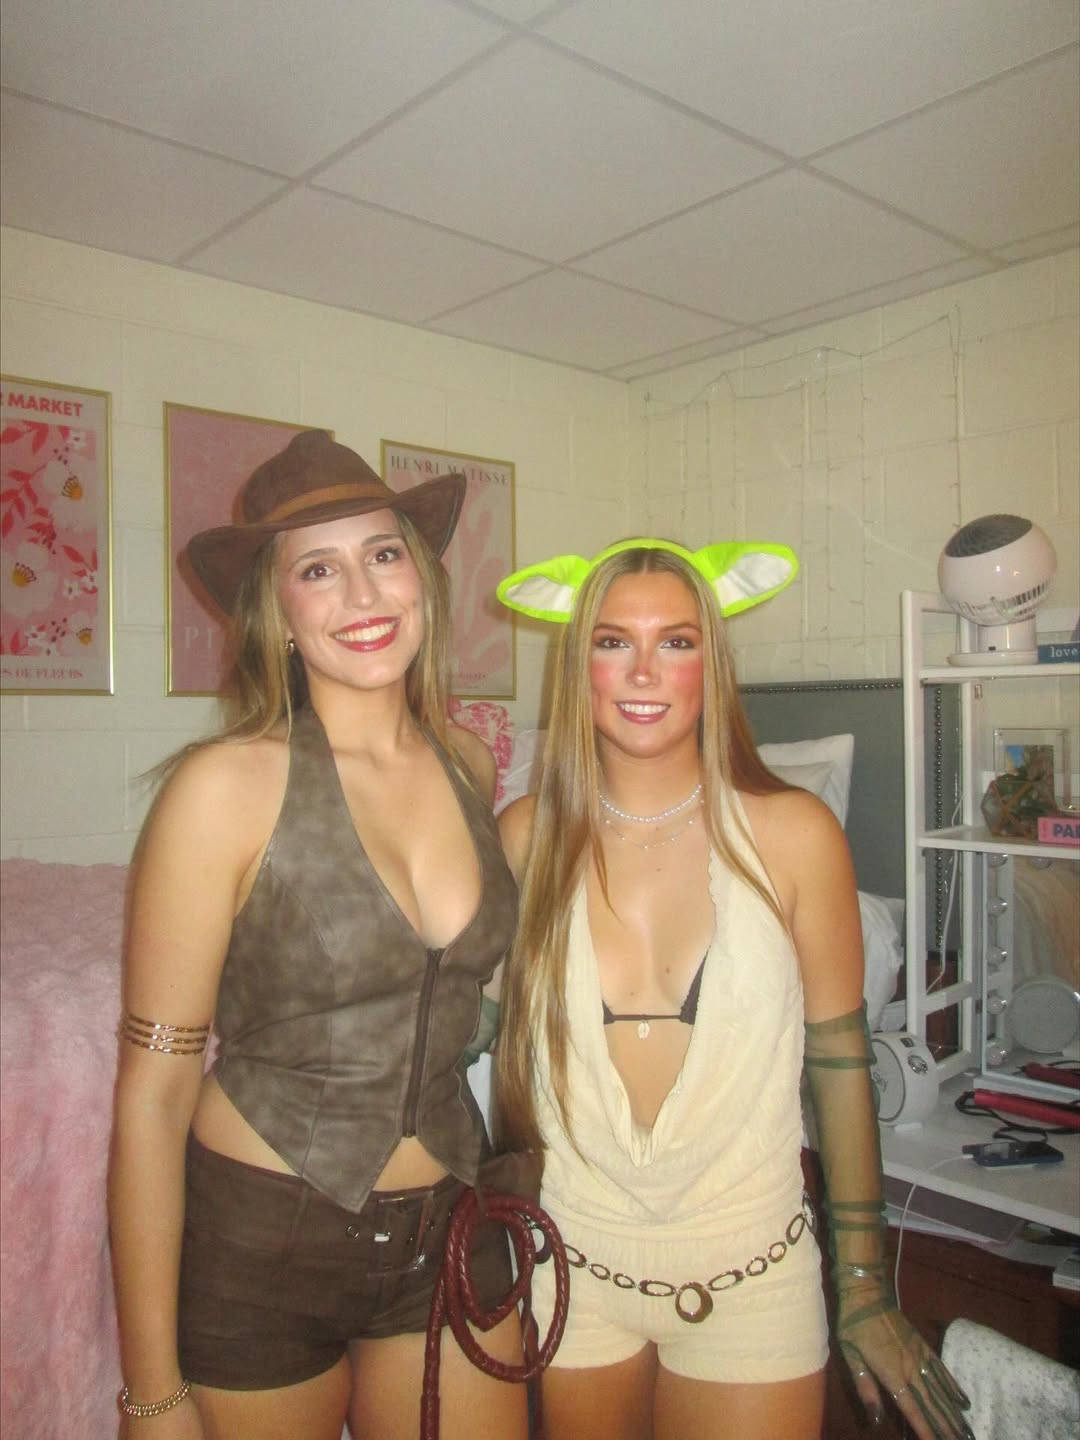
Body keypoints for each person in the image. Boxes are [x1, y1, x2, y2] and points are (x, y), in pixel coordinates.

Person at [493, 538, 974, 1440]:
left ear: (711, 663)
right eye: (612, 641)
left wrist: (863, 1284)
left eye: (675, 642)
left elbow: (841, 1064)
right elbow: (459, 1027)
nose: (643, 671)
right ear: (577, 666)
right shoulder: (527, 838)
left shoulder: (795, 835)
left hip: (751, 1276)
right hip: (574, 1267)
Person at [108, 431, 528, 1440]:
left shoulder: (468, 764)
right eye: (317, 570)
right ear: (279, 614)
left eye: (383, 554)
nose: (364, 594)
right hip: (264, 1245)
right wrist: (151, 1394)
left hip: (452, 1221)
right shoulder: (221, 789)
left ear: (421, 578)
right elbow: (154, 1095)